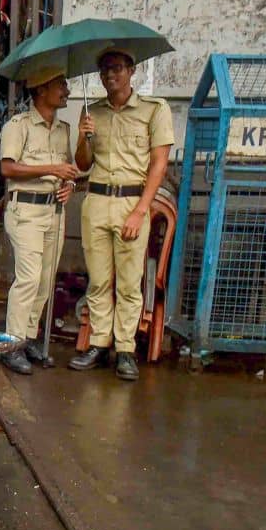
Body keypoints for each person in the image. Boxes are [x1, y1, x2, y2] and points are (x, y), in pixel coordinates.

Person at [70, 49, 174, 381]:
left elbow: (159, 163)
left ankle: (125, 349)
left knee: (130, 282)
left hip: (132, 202)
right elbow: (83, 164)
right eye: (104, 70)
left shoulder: (153, 110)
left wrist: (141, 210)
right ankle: (99, 344)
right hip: (97, 200)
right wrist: (84, 137)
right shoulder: (92, 112)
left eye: (116, 69)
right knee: (99, 280)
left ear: (131, 71)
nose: (109, 75)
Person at [0, 66, 78, 374]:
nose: (66, 90)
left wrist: (68, 184)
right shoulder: (17, 126)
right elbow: (8, 168)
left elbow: (69, 169)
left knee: (44, 280)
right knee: (28, 278)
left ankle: (29, 338)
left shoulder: (64, 129)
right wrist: (51, 169)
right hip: (26, 212)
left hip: (53, 211)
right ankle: (12, 344)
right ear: (41, 89)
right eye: (61, 83)